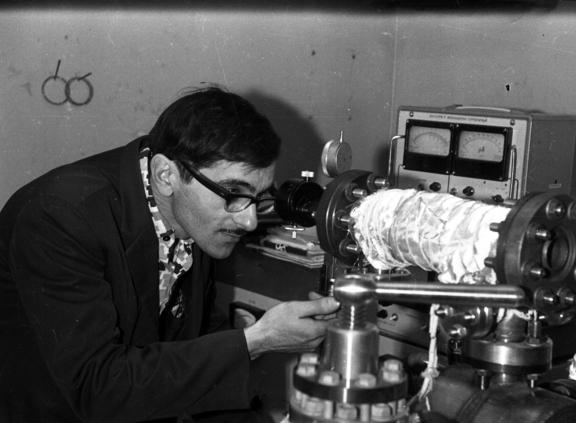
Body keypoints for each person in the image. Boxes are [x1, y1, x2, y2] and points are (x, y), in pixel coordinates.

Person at [0, 86, 339, 423]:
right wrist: (257, 340)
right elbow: (98, 388)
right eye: (233, 193)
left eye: (259, 196)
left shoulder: (190, 212)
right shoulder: (60, 217)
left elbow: (197, 341)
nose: (249, 221)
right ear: (166, 175)